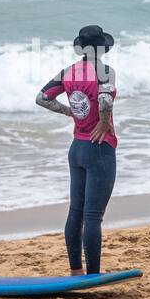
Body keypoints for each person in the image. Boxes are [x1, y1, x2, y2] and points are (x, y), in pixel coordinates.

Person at [36, 24, 118, 276]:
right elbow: (104, 100)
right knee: (93, 216)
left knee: (76, 211)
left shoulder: (69, 72)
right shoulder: (104, 71)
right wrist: (103, 123)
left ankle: (75, 270)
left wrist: (69, 111)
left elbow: (42, 97)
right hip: (99, 148)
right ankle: (93, 274)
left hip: (77, 147)